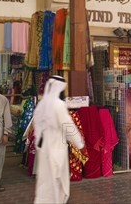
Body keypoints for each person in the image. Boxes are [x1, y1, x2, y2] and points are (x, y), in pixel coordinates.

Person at [32, 75, 85, 204]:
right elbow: (67, 126)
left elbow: (36, 124)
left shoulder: (42, 103)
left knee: (44, 182)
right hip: (56, 149)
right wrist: (80, 143)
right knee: (58, 183)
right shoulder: (58, 105)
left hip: (43, 149)